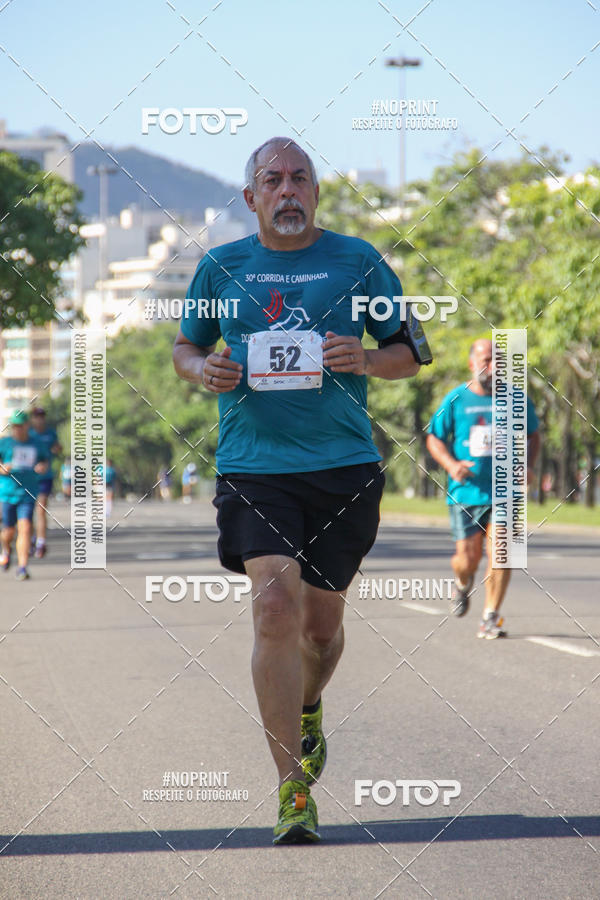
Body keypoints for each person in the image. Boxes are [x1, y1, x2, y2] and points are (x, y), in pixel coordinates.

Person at [173, 137, 432, 844]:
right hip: (254, 466)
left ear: (317, 193)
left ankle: (308, 704)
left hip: (344, 466)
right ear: (251, 197)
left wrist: (370, 358)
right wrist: (202, 371)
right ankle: (292, 788)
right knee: (275, 608)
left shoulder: (359, 261)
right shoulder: (222, 265)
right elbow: (186, 346)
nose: (288, 190)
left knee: (321, 628)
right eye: (272, 180)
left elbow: (413, 352)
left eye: (300, 179)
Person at [426, 339, 541, 639]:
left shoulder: (517, 399)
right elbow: (434, 439)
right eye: (486, 359)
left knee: (502, 550)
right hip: (466, 491)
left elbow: (532, 435)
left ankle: (491, 615)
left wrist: (528, 466)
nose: (492, 367)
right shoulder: (456, 399)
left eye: (498, 361)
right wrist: (451, 465)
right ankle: (463, 584)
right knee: (467, 559)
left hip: (506, 490)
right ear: (471, 363)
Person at [0, 410, 50, 580]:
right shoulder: (4, 443)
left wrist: (42, 467)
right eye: (14, 426)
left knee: (26, 527)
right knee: (8, 531)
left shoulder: (36, 443)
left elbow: (44, 461)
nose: (17, 429)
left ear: (27, 426)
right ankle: (6, 549)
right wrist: (3, 468)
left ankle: (22, 567)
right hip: (8, 492)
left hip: (28, 492)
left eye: (20, 426)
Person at [28, 407, 62, 558]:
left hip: (45, 478)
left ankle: (41, 543)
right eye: (36, 416)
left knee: (41, 510)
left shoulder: (51, 433)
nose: (39, 419)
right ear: (32, 418)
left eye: (41, 416)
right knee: (27, 512)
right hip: (27, 478)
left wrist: (57, 449)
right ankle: (30, 538)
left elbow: (57, 448)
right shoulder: (28, 434)